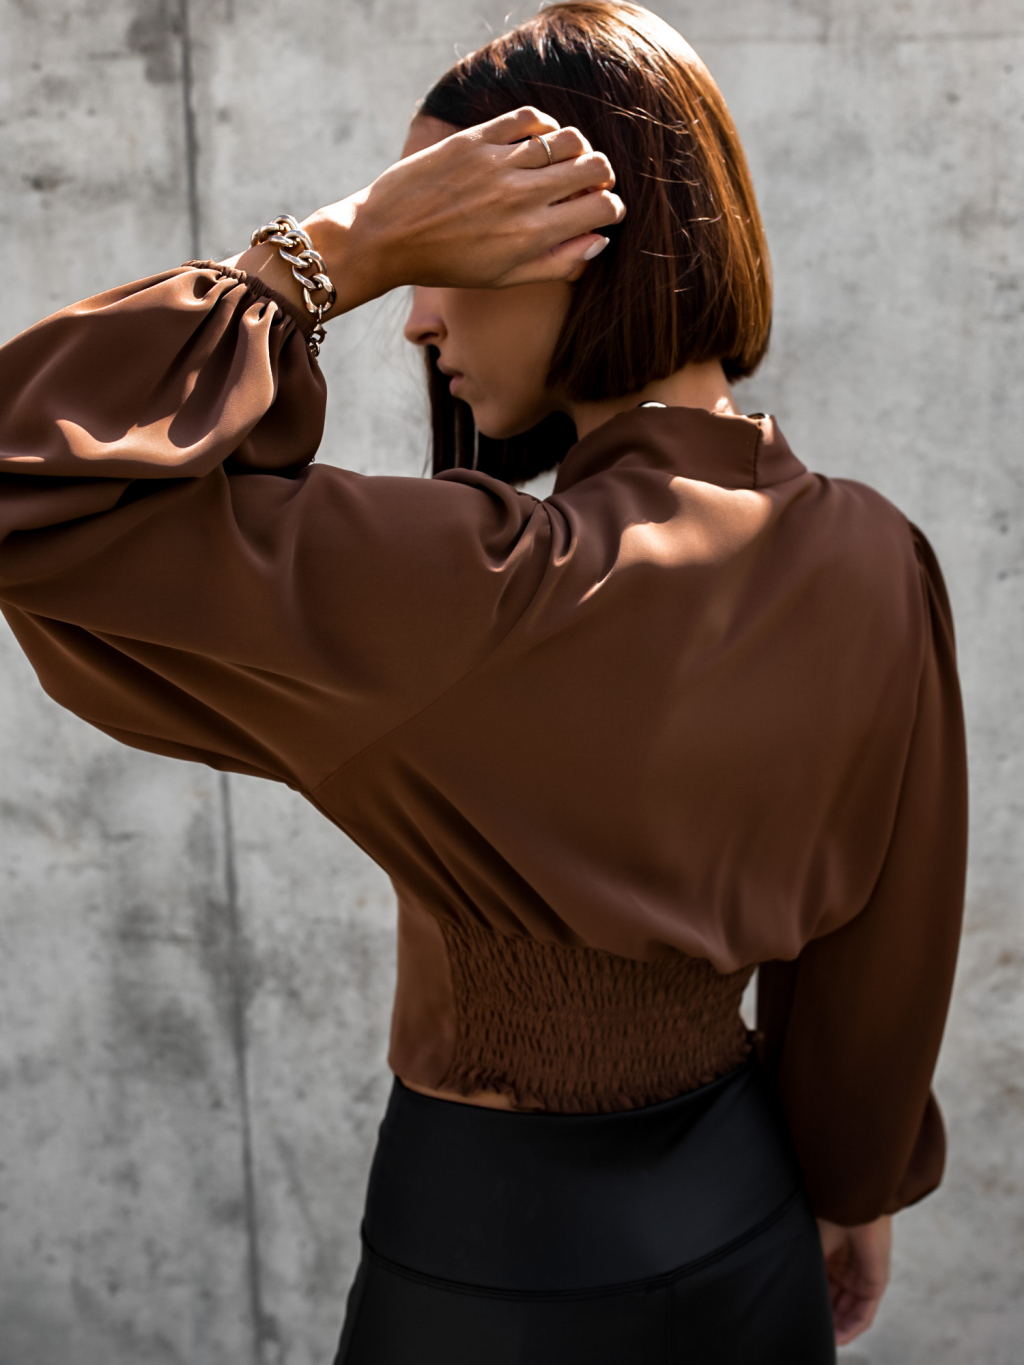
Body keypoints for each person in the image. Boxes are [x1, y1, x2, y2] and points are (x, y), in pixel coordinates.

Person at [0, 3, 967, 1362]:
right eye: (414, 256)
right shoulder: (880, 554)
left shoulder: (480, 586)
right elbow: (884, 945)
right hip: (751, 1224)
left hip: (497, 1265)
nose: (415, 318)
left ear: (583, 240)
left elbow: (29, 479)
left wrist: (335, 250)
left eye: (446, 250)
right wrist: (854, 1188)